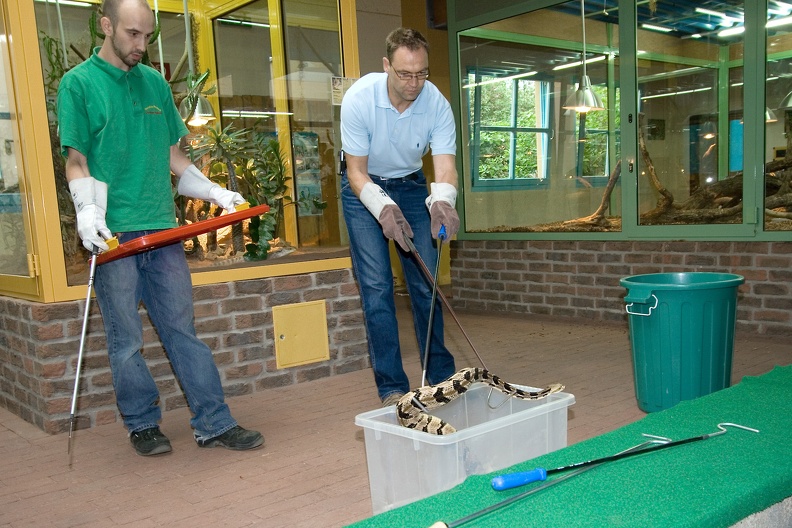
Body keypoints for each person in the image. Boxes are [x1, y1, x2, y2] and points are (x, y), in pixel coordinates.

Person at [57, 0, 263, 456]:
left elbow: (176, 159)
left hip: (163, 231)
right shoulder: (79, 84)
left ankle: (214, 421)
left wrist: (216, 194)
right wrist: (86, 212)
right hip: (114, 236)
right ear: (106, 25)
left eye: (147, 36)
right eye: (132, 34)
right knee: (126, 338)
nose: (141, 45)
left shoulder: (154, 83)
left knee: (182, 330)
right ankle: (143, 423)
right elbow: (76, 161)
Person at [340, 27, 461, 407]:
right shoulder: (359, 98)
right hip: (364, 189)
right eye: (405, 74)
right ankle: (392, 385)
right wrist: (382, 207)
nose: (414, 83)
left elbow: (444, 166)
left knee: (426, 282)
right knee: (377, 287)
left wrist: (442, 201)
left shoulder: (436, 103)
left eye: (422, 73)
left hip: (410, 186)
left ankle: (441, 376)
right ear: (386, 65)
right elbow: (355, 172)